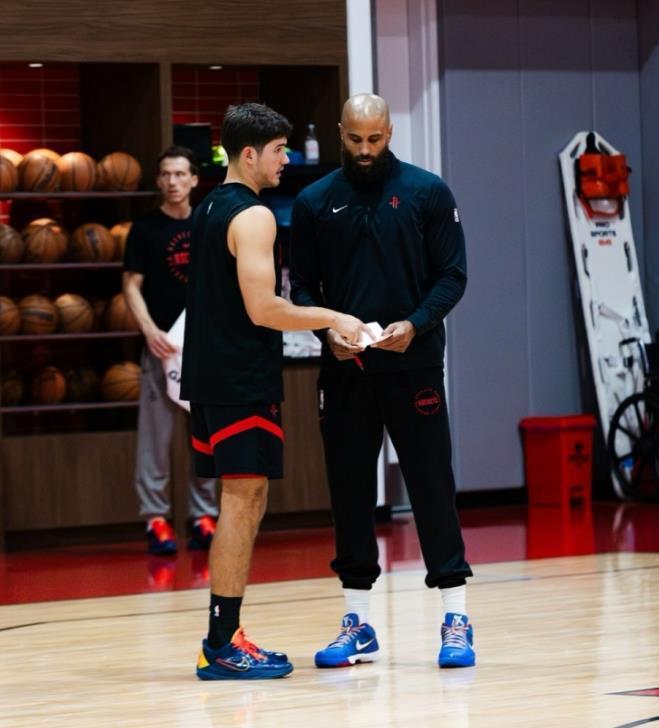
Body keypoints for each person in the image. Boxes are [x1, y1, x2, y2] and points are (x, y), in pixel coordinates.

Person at [180, 102, 372, 680]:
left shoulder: (208, 206)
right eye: (279, 150)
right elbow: (264, 308)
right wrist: (333, 316)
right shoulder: (254, 216)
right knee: (243, 502)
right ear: (249, 154)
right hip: (239, 380)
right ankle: (221, 644)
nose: (286, 159)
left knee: (240, 500)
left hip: (209, 378)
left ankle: (225, 637)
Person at [290, 94, 475, 669]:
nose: (365, 150)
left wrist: (415, 324)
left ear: (390, 131)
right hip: (346, 371)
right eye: (355, 139)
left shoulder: (427, 192)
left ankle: (456, 617)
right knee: (349, 492)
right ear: (340, 133)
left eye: (375, 139)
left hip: (413, 366)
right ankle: (358, 624)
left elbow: (453, 276)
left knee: (431, 485)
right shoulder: (313, 201)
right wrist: (326, 331)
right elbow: (302, 289)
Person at [123, 146, 218, 556]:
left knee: (206, 433)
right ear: (158, 180)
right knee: (154, 438)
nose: (173, 181)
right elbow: (130, 286)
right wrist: (149, 331)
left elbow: (221, 283)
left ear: (194, 179)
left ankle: (204, 515)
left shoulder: (208, 224)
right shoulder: (145, 229)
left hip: (201, 347)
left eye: (180, 174)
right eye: (166, 174)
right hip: (161, 346)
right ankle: (156, 518)